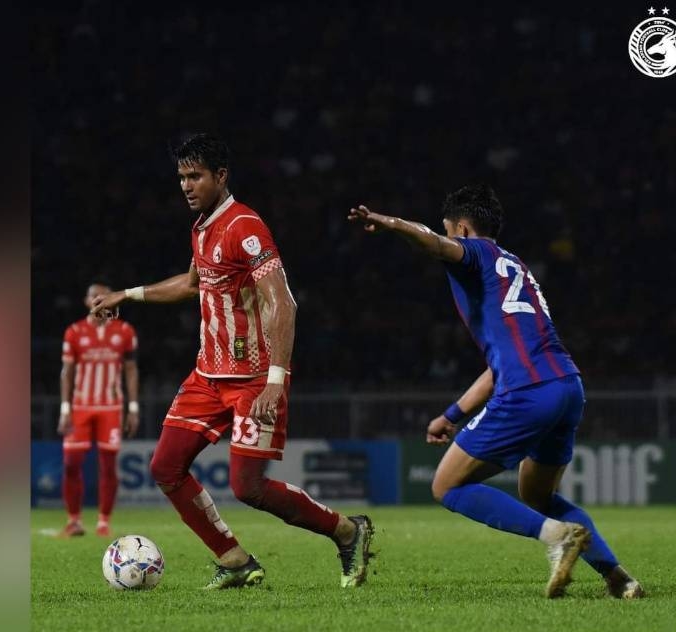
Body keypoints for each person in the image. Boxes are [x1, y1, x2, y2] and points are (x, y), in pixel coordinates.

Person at [90, 133, 373, 589]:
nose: (186, 185)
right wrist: (129, 293)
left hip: (253, 379)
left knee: (248, 488)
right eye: (182, 176)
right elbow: (189, 285)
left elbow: (283, 302)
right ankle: (235, 560)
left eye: (195, 176)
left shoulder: (246, 226)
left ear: (221, 176)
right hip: (207, 375)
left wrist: (276, 381)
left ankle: (346, 531)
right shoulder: (202, 226)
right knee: (165, 467)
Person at [348, 184, 643, 599]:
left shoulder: (479, 253)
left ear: (463, 230)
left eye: (449, 230)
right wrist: (452, 415)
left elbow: (434, 245)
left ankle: (556, 536)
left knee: (446, 487)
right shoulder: (516, 268)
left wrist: (392, 223)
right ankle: (618, 577)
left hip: (527, 391)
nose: (447, 237)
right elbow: (496, 367)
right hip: (566, 387)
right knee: (537, 493)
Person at [58, 283, 140, 538]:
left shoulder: (124, 331)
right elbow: (67, 372)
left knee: (108, 465)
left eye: (102, 296)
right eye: (93, 295)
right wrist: (65, 408)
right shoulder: (74, 332)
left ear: (110, 301)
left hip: (111, 407)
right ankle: (74, 521)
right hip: (81, 406)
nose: (97, 300)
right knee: (71, 464)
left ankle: (103, 522)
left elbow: (130, 370)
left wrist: (133, 407)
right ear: (86, 301)